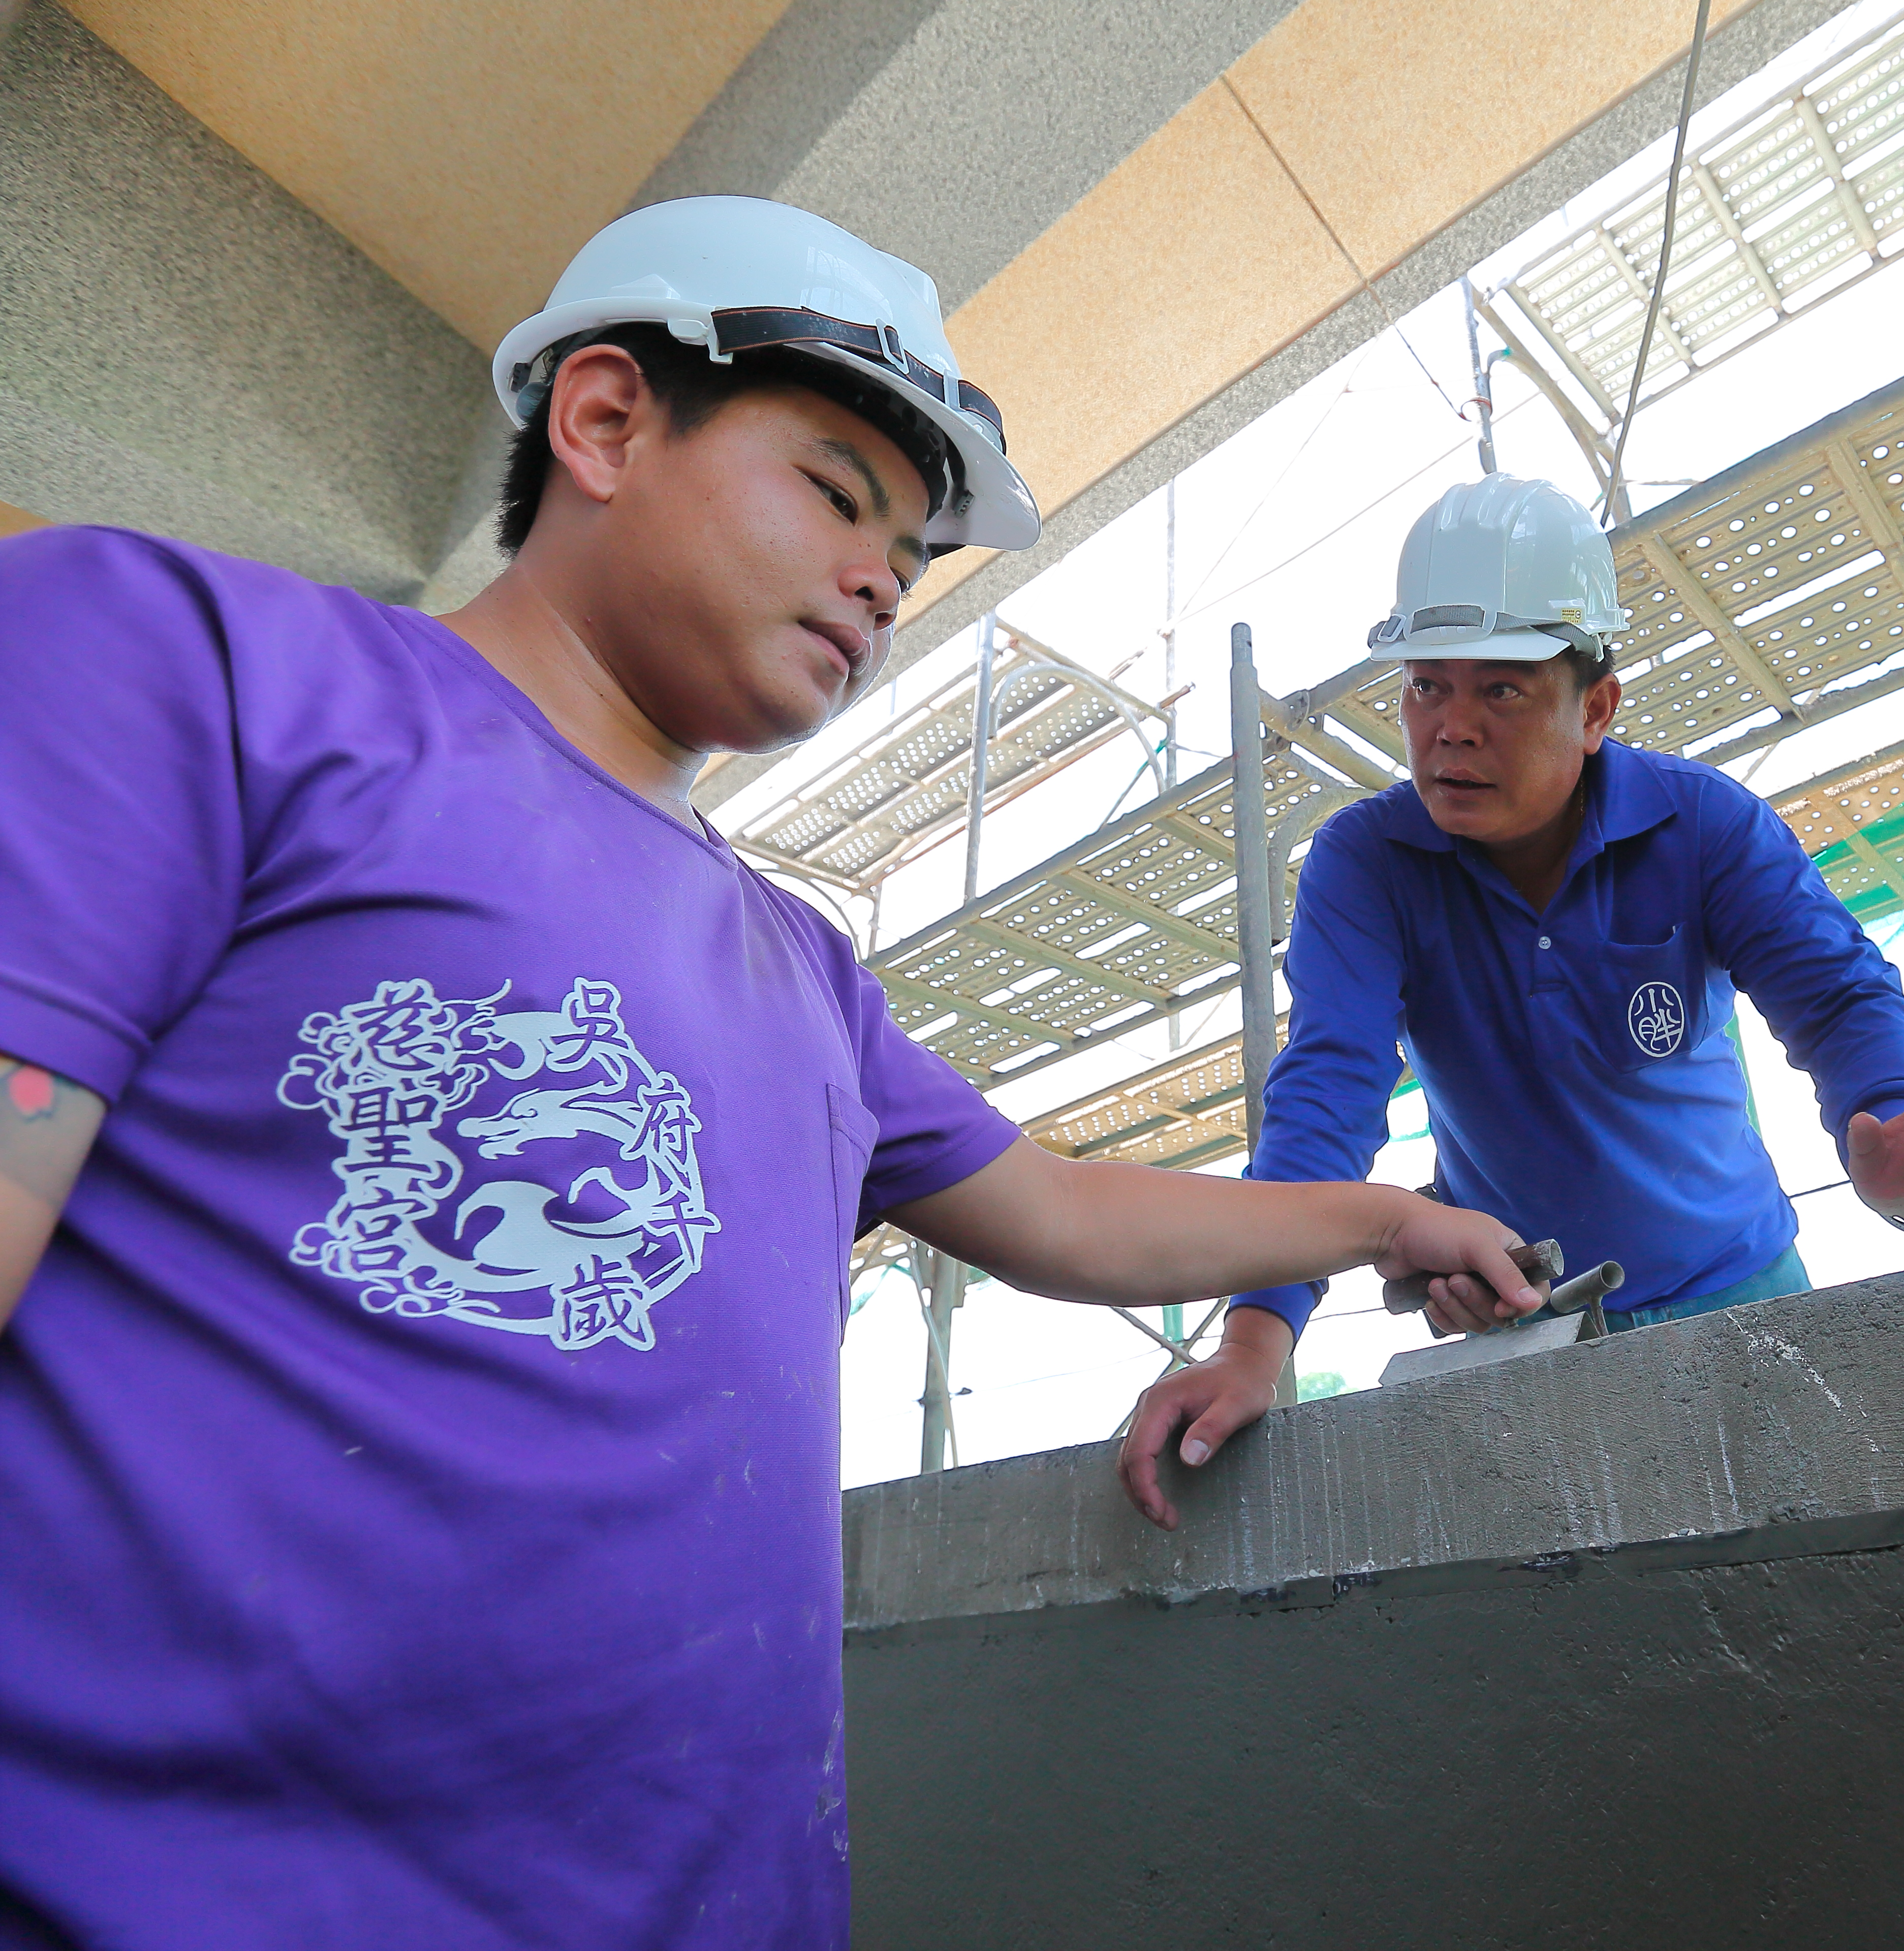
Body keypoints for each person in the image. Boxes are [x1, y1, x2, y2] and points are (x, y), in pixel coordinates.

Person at [0, 196, 1536, 1950]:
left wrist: (1379, 1221)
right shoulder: (186, 663)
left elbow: (1066, 1213)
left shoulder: (799, 963)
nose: (888, 575)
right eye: (836, 488)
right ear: (603, 421)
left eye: (916, 549)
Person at [1119, 476, 1904, 1506]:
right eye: (1424, 685)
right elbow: (1326, 1096)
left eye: (1500, 690)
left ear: (1597, 708)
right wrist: (1256, 1344)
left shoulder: (1705, 825)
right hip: (1528, 1327)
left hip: (1746, 1298)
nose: (1449, 729)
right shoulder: (1366, 866)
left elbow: (1839, 998)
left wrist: (1896, 1121)